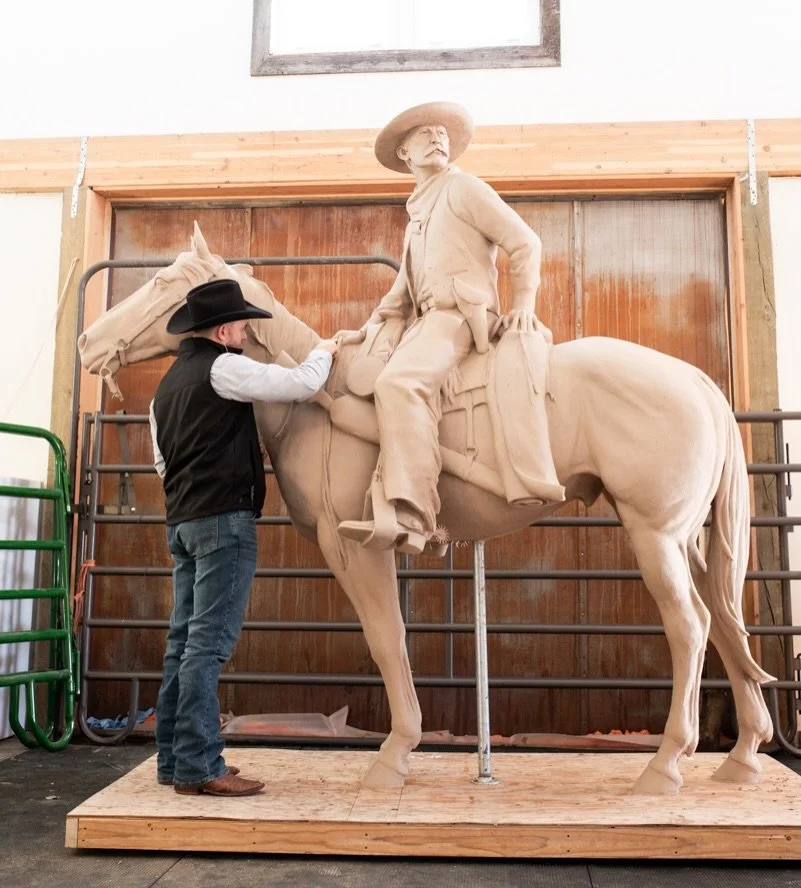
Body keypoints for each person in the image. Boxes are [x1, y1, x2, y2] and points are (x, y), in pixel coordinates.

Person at [337, 101, 556, 556]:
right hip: (427, 321)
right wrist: (363, 330)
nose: (437, 139)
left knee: (400, 383)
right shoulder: (419, 210)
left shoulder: (463, 188)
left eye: (441, 133)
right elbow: (402, 289)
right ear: (405, 155)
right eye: (424, 135)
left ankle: (415, 513)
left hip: (460, 317)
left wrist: (524, 304)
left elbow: (525, 242)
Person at [149, 278, 337, 797]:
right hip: (223, 524)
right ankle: (202, 768)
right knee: (207, 648)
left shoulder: (163, 390)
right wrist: (324, 351)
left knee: (182, 645)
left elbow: (162, 461)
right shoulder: (223, 366)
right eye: (242, 325)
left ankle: (176, 762)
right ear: (226, 329)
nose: (245, 332)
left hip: (182, 523)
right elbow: (298, 384)